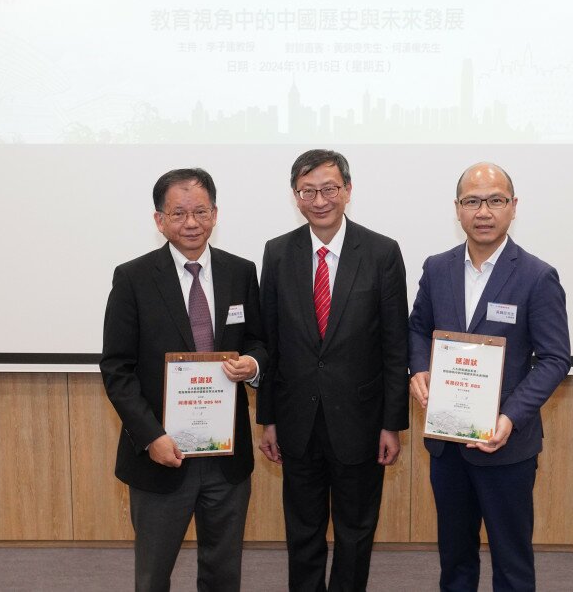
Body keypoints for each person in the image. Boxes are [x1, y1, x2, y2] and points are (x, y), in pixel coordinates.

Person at [100, 168, 267, 592]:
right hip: (161, 454)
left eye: (200, 211)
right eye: (178, 213)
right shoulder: (133, 278)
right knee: (154, 575)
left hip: (226, 457)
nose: (190, 223)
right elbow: (117, 368)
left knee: (223, 572)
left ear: (215, 214)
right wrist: (150, 436)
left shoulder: (240, 272)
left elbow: (259, 341)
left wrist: (252, 363)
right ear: (160, 220)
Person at [407, 162, 571, 592]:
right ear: (457, 209)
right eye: (473, 201)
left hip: (506, 447)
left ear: (513, 207)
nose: (484, 211)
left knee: (512, 564)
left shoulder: (537, 276)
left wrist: (510, 416)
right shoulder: (437, 268)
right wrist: (420, 367)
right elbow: (418, 327)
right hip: (447, 446)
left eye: (496, 200)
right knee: (455, 561)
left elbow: (555, 358)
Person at [256, 149, 409, 592]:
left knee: (355, 533)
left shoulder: (381, 252)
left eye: (329, 189)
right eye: (308, 191)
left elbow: (395, 345)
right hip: (296, 421)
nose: (319, 200)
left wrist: (391, 424)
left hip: (361, 423)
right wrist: (267, 419)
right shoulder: (278, 252)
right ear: (296, 196)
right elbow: (270, 344)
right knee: (302, 534)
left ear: (347, 190)